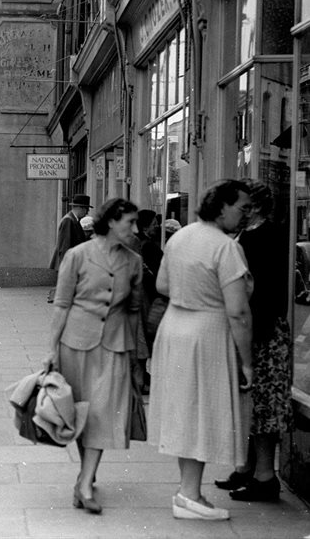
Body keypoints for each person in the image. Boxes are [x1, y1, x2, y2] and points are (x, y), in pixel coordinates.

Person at [148, 180, 253, 521]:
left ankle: (188, 490)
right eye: (241, 208)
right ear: (222, 207)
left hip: (175, 326)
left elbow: (162, 284)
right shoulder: (226, 247)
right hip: (207, 331)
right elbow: (238, 312)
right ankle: (189, 494)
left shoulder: (180, 236)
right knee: (203, 411)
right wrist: (247, 363)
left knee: (187, 412)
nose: (245, 215)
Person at [43, 197, 142, 515]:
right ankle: (87, 472)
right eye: (130, 222)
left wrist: (139, 354)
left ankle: (85, 484)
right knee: (80, 416)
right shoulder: (77, 256)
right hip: (75, 344)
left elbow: (135, 310)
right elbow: (61, 304)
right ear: (112, 221)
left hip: (114, 345)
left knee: (101, 414)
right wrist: (51, 350)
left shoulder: (133, 261)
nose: (135, 229)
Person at [214, 179, 293, 502]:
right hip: (253, 329)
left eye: (244, 206)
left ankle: (264, 475)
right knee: (249, 405)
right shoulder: (249, 235)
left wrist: (246, 334)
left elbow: (259, 291)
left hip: (260, 331)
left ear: (255, 206)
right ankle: (247, 468)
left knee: (261, 407)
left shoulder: (265, 236)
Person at [48, 194, 92, 303]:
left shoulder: (72, 220)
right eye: (86, 209)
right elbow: (65, 246)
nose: (87, 213)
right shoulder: (69, 220)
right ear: (80, 208)